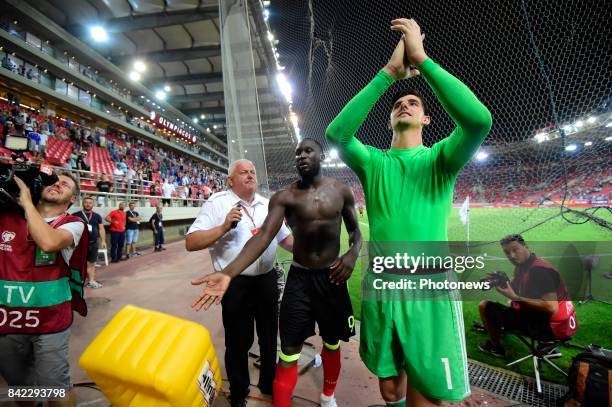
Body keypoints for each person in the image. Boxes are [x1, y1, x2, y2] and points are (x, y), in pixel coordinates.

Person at [325, 19, 492, 405]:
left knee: (428, 393)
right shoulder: (373, 162)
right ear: (389, 119)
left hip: (429, 285)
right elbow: (337, 135)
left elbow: (479, 121)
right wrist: (388, 75)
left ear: (426, 119)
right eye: (399, 104)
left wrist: (422, 60)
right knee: (389, 386)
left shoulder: (440, 159)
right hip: (382, 284)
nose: (405, 105)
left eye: (413, 104)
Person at [191, 146, 361, 407]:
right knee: (281, 347)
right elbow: (263, 237)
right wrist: (227, 273)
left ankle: (326, 396)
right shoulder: (282, 197)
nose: (301, 156)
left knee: (326, 340)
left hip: (326, 280)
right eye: (297, 153)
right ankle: (250, 395)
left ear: (321, 157)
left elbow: (352, 232)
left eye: (308, 151)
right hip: (294, 281)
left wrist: (352, 254)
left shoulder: (340, 191)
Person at [186, 159, 294, 407]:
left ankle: (268, 383)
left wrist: (314, 256)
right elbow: (191, 242)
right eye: (243, 172)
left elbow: (286, 241)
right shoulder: (217, 203)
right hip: (234, 284)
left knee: (269, 337)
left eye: (252, 172)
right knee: (238, 341)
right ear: (230, 180)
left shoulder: (268, 204)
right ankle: (238, 392)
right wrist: (224, 226)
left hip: (267, 280)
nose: (250, 175)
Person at [0, 172, 88, 407]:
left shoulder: (73, 223)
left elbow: (48, 242)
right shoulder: (7, 215)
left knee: (55, 388)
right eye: (54, 180)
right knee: (20, 387)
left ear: (72, 199)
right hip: (6, 320)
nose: (57, 184)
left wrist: (28, 201)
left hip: (50, 322)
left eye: (65, 184)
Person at [478, 235, 577, 357]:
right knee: (511, 303)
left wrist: (516, 298)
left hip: (549, 328)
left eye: (515, 250)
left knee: (485, 306)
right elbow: (516, 287)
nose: (511, 256)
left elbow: (551, 307)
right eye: (507, 252)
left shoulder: (539, 271)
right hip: (562, 322)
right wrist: (502, 280)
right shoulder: (529, 265)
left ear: (526, 246)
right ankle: (545, 344)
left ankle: (496, 347)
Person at [73, 196, 106, 288]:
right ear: (83, 204)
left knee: (91, 263)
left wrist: (103, 241)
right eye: (86, 202)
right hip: (80, 244)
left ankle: (91, 281)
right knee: (78, 263)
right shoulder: (76, 215)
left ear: (93, 205)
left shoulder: (97, 216)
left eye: (90, 203)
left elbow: (101, 229)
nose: (88, 204)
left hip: (93, 243)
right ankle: (78, 281)